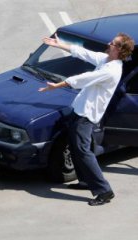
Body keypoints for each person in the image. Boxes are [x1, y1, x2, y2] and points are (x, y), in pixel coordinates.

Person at [39, 33, 135, 206]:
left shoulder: (111, 70)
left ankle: (104, 191)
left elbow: (83, 79)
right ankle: (85, 181)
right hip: (80, 110)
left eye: (113, 43)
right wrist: (58, 45)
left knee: (83, 151)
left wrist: (58, 85)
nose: (108, 43)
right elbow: (83, 52)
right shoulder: (106, 60)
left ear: (119, 49)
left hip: (86, 115)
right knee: (77, 147)